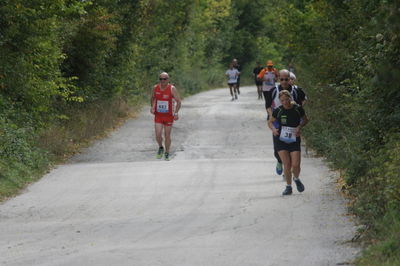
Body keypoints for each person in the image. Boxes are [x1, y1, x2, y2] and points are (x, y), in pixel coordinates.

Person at [266, 69, 307, 177]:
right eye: (282, 79)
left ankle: (288, 170)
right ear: (279, 79)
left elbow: (303, 99)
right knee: (277, 149)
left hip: (292, 124)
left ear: (290, 79)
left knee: (291, 146)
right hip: (277, 122)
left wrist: (299, 109)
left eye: (286, 79)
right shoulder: (273, 90)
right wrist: (272, 116)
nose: (284, 81)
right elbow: (268, 106)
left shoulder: (296, 90)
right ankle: (280, 161)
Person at [268, 90, 309, 195]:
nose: (285, 102)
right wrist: (273, 129)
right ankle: (288, 187)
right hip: (281, 139)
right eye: (282, 100)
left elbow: (305, 120)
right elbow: (270, 122)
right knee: (287, 164)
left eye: (287, 99)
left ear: (291, 98)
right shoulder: (278, 110)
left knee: (295, 165)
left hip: (294, 139)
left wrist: (299, 127)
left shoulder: (298, 109)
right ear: (280, 101)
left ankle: (296, 178)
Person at [150, 72, 181, 161]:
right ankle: (160, 147)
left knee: (167, 135)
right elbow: (152, 98)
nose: (163, 81)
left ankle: (167, 153)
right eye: (161, 79)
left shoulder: (172, 89)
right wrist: (152, 107)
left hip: (168, 116)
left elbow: (178, 101)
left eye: (165, 79)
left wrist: (176, 113)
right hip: (158, 115)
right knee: (158, 135)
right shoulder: (155, 88)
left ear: (168, 79)